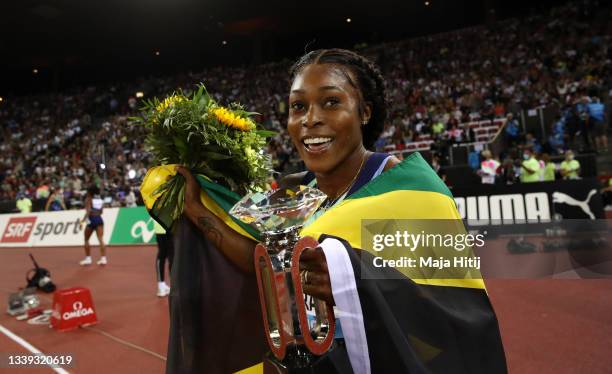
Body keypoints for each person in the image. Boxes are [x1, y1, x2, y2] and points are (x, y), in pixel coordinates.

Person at [167, 49, 506, 374]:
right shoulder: (294, 189)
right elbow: (264, 262)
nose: (310, 119)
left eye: (331, 102)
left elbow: (456, 314)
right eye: (298, 106)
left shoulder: (409, 191)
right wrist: (197, 210)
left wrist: (352, 283)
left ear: (365, 112)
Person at [79, 186, 107, 266]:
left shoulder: (88, 199)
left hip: (91, 220)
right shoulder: (100, 200)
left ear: (90, 192)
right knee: (101, 239)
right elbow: (101, 212)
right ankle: (103, 259)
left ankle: (88, 259)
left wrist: (82, 222)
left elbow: (88, 212)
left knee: (86, 239)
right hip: (99, 219)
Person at [154, 220, 173, 297]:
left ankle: (162, 286)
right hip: (164, 228)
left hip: (165, 228)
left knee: (167, 255)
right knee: (166, 255)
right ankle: (163, 286)